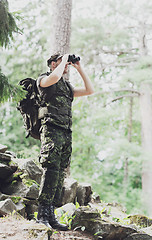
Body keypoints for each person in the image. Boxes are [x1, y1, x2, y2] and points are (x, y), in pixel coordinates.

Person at [36, 53, 94, 230]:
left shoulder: (67, 87)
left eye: (67, 64)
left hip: (65, 133)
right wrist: (63, 59)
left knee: (60, 173)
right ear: (53, 64)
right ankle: (42, 215)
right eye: (62, 63)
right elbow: (54, 77)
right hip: (51, 130)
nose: (66, 67)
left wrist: (79, 67)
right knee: (51, 170)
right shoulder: (44, 79)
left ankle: (51, 215)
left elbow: (90, 90)